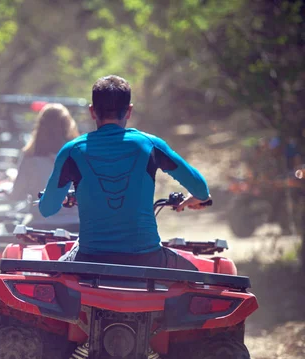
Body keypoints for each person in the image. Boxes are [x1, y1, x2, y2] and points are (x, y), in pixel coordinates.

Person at [39, 75, 211, 270]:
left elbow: (47, 209)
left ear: (92, 112)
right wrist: (194, 198)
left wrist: (49, 197)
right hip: (148, 258)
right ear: (129, 111)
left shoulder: (72, 150)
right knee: (197, 279)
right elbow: (201, 189)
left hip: (89, 259)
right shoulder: (151, 145)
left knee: (53, 277)